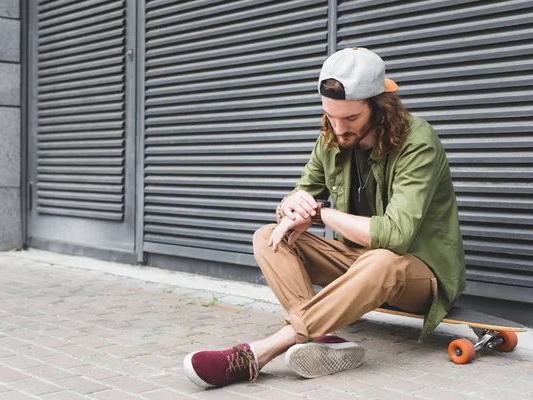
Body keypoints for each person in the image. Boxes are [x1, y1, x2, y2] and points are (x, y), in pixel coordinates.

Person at [183, 47, 466, 388]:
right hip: (358, 265)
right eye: (330, 116)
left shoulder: (417, 143)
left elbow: (396, 236)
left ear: (380, 108)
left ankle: (259, 353)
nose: (338, 127)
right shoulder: (332, 138)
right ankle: (324, 338)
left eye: (350, 118)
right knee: (269, 237)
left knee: (380, 259)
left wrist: (321, 213)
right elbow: (299, 194)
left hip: (418, 274)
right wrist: (291, 208)